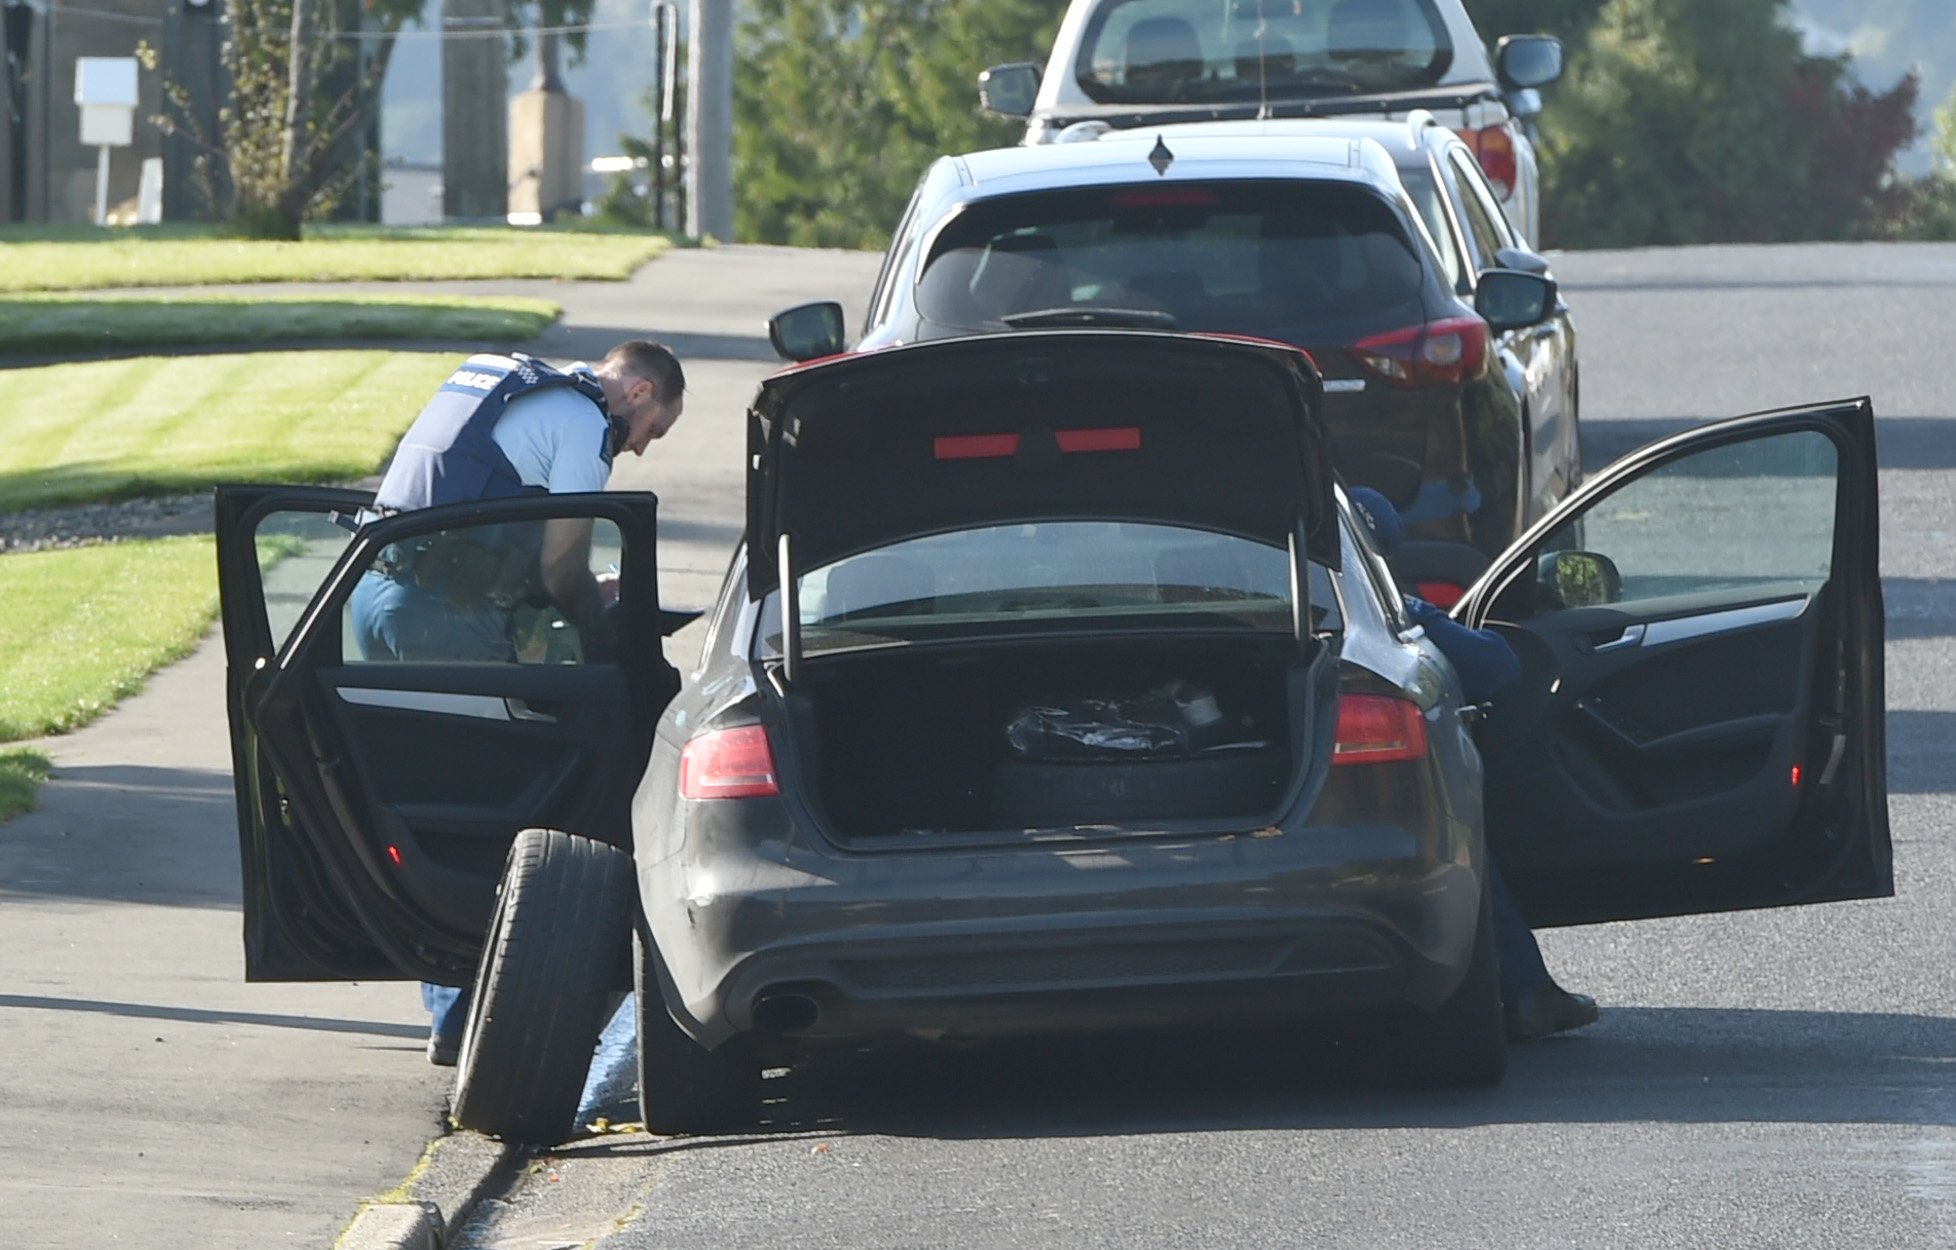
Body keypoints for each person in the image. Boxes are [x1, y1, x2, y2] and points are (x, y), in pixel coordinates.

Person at [351, 340, 686, 1064]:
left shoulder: (512, 383)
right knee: (490, 800)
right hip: (441, 618)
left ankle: (450, 1009)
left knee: (424, 799)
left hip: (377, 597)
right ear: (639, 393)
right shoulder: (582, 421)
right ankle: (465, 1017)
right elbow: (562, 559)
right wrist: (597, 618)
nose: (639, 449)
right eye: (651, 431)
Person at [1347, 487, 1599, 1042]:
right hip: (1357, 805)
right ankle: (1528, 989)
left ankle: (1531, 988)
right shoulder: (1385, 621)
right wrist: (1431, 618)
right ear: (1377, 559)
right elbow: (1496, 667)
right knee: (1460, 838)